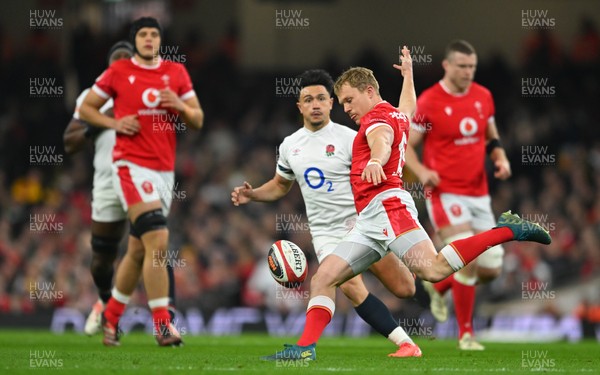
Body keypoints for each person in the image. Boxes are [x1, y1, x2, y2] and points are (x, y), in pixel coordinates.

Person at [262, 47, 551, 361]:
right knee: (324, 277)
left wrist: (375, 159)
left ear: (368, 91)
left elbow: (381, 140)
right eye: (342, 103)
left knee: (434, 269)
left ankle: (507, 231)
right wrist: (409, 76)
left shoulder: (375, 121)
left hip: (387, 208)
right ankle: (304, 349)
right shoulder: (393, 114)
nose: (345, 109)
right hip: (369, 220)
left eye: (348, 100)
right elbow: (408, 109)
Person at [232, 69, 422, 357]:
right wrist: (253, 194)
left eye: (322, 97)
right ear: (300, 106)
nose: (316, 104)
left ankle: (407, 339)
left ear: (332, 103)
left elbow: (386, 150)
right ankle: (310, 347)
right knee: (348, 287)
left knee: (405, 287)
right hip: (325, 233)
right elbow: (280, 186)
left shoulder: (351, 138)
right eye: (308, 99)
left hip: (362, 223)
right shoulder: (290, 146)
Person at [79, 17, 204, 346]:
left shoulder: (176, 72)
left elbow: (198, 119)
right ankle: (163, 324)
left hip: (164, 171)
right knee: (158, 237)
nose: (149, 39)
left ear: (160, 40)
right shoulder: (118, 72)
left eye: (154, 34)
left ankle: (110, 318)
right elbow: (87, 109)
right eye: (143, 34)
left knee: (137, 251)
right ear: (135, 41)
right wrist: (115, 123)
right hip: (130, 166)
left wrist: (179, 105)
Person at [63, 41, 179, 337]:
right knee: (102, 257)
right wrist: (103, 122)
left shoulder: (152, 94)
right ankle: (105, 302)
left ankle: (167, 315)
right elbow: (69, 142)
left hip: (143, 176)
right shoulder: (93, 98)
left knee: (155, 238)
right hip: (106, 182)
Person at [405, 40, 510, 350]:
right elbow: (409, 145)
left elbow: (491, 136)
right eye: (462, 66)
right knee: (468, 260)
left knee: (491, 270)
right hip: (444, 193)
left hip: (478, 193)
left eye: (472, 67)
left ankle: (439, 287)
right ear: (447, 66)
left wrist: (500, 158)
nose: (468, 72)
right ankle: (466, 334)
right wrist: (422, 172)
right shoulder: (430, 101)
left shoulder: (483, 97)